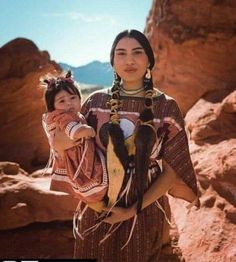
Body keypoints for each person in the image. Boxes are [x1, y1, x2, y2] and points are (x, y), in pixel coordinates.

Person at [52, 29, 200, 261]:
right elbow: (71, 153)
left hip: (144, 208)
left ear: (149, 59)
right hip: (95, 208)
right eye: (121, 53)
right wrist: (94, 202)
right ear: (112, 61)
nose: (129, 60)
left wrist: (130, 211)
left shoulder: (166, 107)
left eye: (137, 52)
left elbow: (172, 170)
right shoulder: (95, 102)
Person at [41, 71, 108, 207]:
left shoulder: (68, 115)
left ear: (79, 98)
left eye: (73, 98)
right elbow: (74, 131)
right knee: (91, 177)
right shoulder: (64, 117)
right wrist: (89, 131)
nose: (69, 104)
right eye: (62, 101)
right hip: (76, 159)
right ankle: (96, 199)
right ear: (52, 106)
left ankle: (94, 201)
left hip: (71, 157)